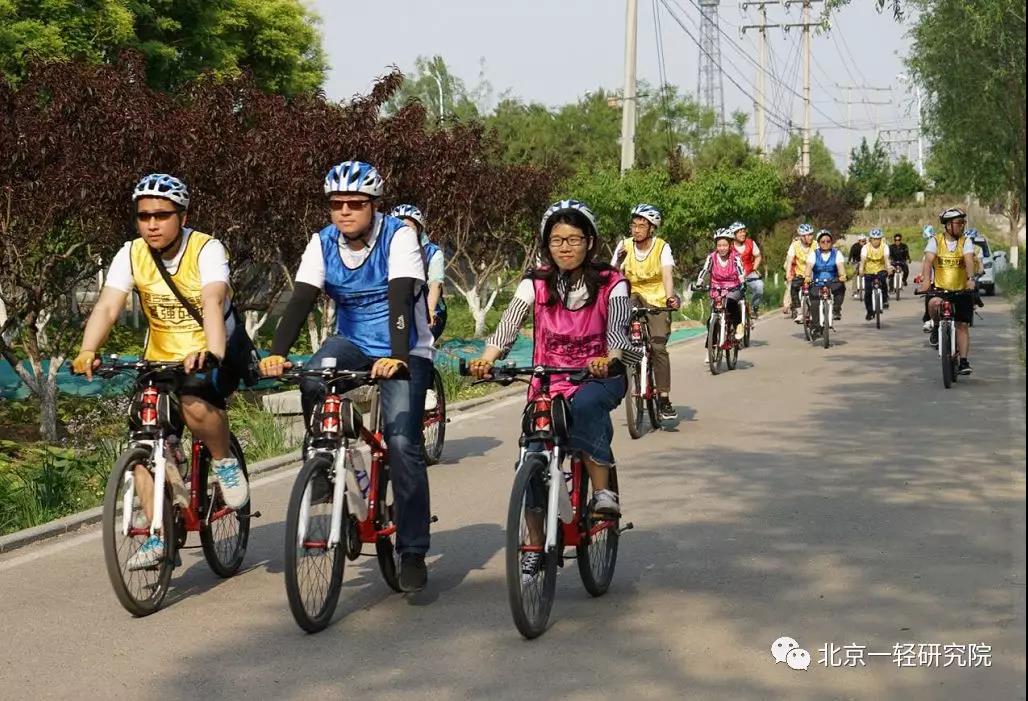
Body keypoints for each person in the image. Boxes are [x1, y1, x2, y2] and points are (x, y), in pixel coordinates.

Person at [259, 160, 434, 592]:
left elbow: (400, 300)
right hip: (351, 342)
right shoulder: (322, 242)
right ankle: (325, 460)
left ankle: (413, 549)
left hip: (406, 347)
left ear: (374, 205)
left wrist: (397, 358)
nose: (344, 212)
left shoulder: (399, 236)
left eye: (355, 204)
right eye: (337, 204)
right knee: (312, 378)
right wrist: (277, 353)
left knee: (401, 443)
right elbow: (301, 299)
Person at [72, 173, 248, 570]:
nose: (152, 224)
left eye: (162, 215)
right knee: (142, 439)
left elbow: (212, 300)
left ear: (182, 216)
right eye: (144, 216)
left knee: (194, 403)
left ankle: (224, 462)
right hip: (160, 358)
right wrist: (87, 349)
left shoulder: (206, 249)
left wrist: (211, 352)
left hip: (211, 350)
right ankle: (158, 536)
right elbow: (108, 306)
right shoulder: (131, 253)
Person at [468, 199, 633, 580]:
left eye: (574, 239)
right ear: (546, 244)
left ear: (590, 242)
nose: (565, 247)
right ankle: (534, 545)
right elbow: (509, 324)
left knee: (587, 406)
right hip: (549, 380)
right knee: (531, 454)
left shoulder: (612, 282)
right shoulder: (536, 282)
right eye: (557, 240)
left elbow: (618, 329)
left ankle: (603, 493)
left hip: (599, 375)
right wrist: (487, 358)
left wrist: (609, 358)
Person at [611, 203, 680, 420]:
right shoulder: (624, 245)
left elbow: (667, 275)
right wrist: (618, 260)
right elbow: (612, 275)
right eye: (634, 225)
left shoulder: (662, 247)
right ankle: (623, 371)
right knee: (619, 327)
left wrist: (670, 298)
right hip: (632, 294)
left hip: (657, 298)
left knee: (658, 347)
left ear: (652, 228)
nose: (636, 230)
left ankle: (664, 398)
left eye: (642, 226)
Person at [919, 207, 977, 374]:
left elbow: (968, 260)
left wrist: (970, 279)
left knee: (962, 325)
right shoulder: (935, 241)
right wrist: (926, 282)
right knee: (933, 304)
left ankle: (963, 361)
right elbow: (928, 262)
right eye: (959, 223)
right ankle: (937, 326)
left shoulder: (965, 241)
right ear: (949, 225)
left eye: (963, 222)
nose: (962, 226)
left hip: (961, 290)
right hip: (940, 289)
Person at [391, 204, 446, 341]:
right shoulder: (386, 251)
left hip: (427, 309)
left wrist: (430, 312)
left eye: (409, 229)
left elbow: (436, 284)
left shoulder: (432, 253)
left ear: (419, 229)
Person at [695, 228, 746, 349]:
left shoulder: (735, 257)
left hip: (733, 287)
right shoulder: (711, 257)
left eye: (725, 245)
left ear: (730, 245)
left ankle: (738, 326)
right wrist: (699, 281)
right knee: (712, 316)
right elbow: (705, 270)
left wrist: (742, 282)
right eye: (719, 245)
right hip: (716, 288)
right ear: (716, 246)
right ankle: (712, 341)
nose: (722, 248)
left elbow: (740, 271)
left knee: (731, 304)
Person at [804, 230, 847, 336]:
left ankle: (836, 309)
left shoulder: (837, 253)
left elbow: (840, 267)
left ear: (831, 242)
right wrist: (807, 277)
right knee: (814, 301)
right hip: (817, 282)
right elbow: (809, 267)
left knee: (841, 288)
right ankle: (816, 326)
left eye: (828, 241)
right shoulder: (814, 254)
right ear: (819, 243)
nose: (826, 243)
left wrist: (842, 275)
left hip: (832, 281)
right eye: (823, 241)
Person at [729, 221, 764, 318]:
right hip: (734, 275)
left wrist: (754, 268)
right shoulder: (729, 246)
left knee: (759, 286)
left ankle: (754, 308)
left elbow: (758, 256)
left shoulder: (750, 243)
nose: (743, 234)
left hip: (749, 273)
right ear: (734, 234)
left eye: (744, 231)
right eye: (740, 232)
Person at [783, 223, 816, 322]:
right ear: (801, 236)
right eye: (807, 235)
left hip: (814, 274)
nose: (810, 237)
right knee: (793, 288)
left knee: (816, 292)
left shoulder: (816, 244)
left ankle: (817, 312)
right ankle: (800, 313)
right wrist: (788, 274)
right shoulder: (795, 245)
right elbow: (789, 260)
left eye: (811, 234)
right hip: (800, 274)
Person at [858, 228, 893, 320]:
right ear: (870, 239)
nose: (876, 241)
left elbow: (886, 259)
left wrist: (889, 268)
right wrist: (861, 269)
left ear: (881, 239)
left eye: (878, 239)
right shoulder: (865, 247)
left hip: (881, 269)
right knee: (868, 292)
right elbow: (863, 260)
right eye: (874, 239)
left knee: (883, 282)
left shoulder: (884, 246)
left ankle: (884, 300)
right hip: (868, 271)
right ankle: (869, 312)